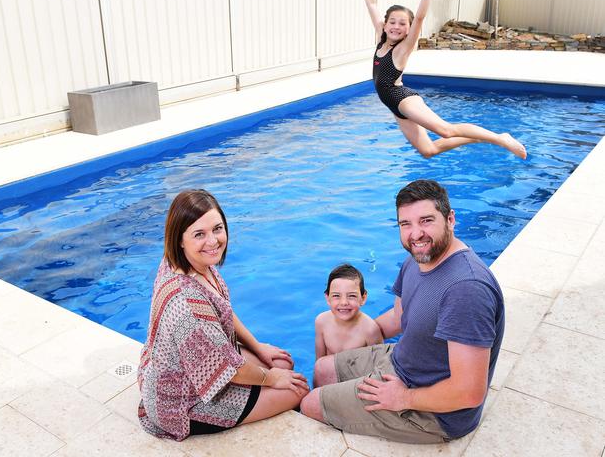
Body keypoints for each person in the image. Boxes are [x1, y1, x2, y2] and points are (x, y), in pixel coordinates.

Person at [300, 179, 505, 444]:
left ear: (450, 219)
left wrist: (403, 398)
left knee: (310, 404)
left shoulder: (466, 289)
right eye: (405, 224)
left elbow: (469, 392)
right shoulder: (417, 259)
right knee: (322, 369)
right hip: (402, 361)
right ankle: (343, 411)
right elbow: (399, 317)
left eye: (426, 221)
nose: (415, 234)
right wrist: (352, 333)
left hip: (434, 412)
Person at [137, 189, 309, 441]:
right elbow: (228, 370)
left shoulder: (185, 262)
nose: (213, 241)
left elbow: (223, 310)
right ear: (180, 239)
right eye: (199, 234)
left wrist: (258, 347)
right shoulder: (187, 304)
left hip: (193, 368)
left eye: (217, 229)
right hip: (182, 402)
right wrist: (271, 379)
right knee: (298, 389)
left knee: (282, 363)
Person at [360, 0, 526, 159]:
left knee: (445, 130)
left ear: (409, 30)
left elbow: (420, 17)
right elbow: (371, 2)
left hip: (403, 100)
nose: (396, 27)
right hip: (392, 105)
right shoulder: (380, 39)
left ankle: (500, 138)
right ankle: (479, 137)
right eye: (392, 22)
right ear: (385, 24)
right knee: (428, 150)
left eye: (403, 24)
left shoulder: (402, 48)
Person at [314, 263, 383, 360]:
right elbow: (319, 361)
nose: (344, 303)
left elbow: (379, 364)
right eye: (336, 296)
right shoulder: (321, 321)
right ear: (327, 298)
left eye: (352, 296)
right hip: (328, 373)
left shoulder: (370, 330)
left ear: (363, 298)